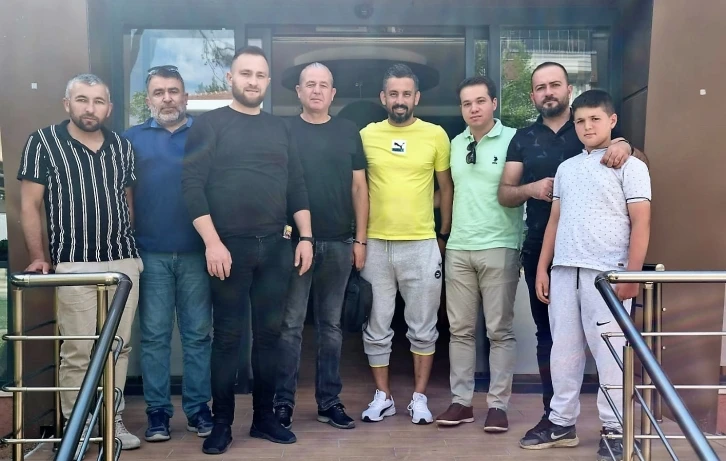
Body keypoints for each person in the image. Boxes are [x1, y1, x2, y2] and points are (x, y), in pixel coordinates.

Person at [497, 62, 648, 431]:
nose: (587, 127)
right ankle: (560, 421)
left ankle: (615, 428)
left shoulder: (628, 164)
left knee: (611, 351)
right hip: (563, 270)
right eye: (582, 121)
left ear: (612, 121)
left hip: (607, 272)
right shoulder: (565, 166)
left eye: (594, 119)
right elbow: (554, 220)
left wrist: (632, 274)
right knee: (562, 350)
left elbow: (642, 222)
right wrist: (543, 268)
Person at [182, 46, 313, 454]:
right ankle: (221, 423)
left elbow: (297, 185)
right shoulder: (210, 124)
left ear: (267, 82)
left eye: (259, 75)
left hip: (276, 247)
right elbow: (191, 186)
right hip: (228, 250)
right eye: (245, 73)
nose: (252, 81)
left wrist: (307, 237)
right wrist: (212, 243)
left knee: (269, 337)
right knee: (227, 339)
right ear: (231, 79)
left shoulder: (280, 129)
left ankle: (264, 419)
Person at [17, 73, 141, 450]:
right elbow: (29, 205)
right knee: (78, 349)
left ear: (109, 108)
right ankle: (76, 428)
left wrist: (128, 245)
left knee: (118, 347)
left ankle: (111, 421)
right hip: (73, 263)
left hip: (123, 261)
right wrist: (39, 257)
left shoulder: (122, 146)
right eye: (82, 99)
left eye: (98, 101)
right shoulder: (43, 142)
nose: (90, 108)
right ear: (67, 103)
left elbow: (127, 202)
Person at [273, 62, 368, 431]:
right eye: (309, 84)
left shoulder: (348, 131)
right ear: (298, 91)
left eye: (323, 85)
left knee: (331, 327)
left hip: (341, 242)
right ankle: (283, 403)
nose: (316, 90)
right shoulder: (284, 130)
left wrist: (360, 239)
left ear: (333, 93)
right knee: (290, 327)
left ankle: (329, 402)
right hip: (296, 244)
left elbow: (359, 187)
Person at [359, 63, 453, 425]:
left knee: (423, 326)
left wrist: (443, 235)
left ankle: (419, 398)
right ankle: (382, 397)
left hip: (421, 244)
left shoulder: (435, 135)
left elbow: (446, 189)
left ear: (417, 97)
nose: (400, 100)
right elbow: (357, 188)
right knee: (376, 325)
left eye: (407, 93)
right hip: (376, 245)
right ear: (383, 98)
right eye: (393, 93)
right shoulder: (366, 135)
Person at [123, 65, 213, 442]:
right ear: (148, 100)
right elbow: (123, 196)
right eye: (159, 92)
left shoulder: (206, 134)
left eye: (173, 91)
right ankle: (157, 413)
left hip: (197, 252)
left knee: (198, 336)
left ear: (185, 97)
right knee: (155, 337)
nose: (167, 99)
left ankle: (198, 409)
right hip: (151, 253)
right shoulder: (130, 139)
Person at [434, 76, 521, 433]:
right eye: (467, 103)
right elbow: (447, 192)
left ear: (494, 103)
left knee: (499, 331)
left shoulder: (515, 139)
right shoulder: (455, 143)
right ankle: (462, 402)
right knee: (459, 331)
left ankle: (498, 406)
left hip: (500, 245)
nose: (474, 108)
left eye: (480, 101)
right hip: (459, 247)